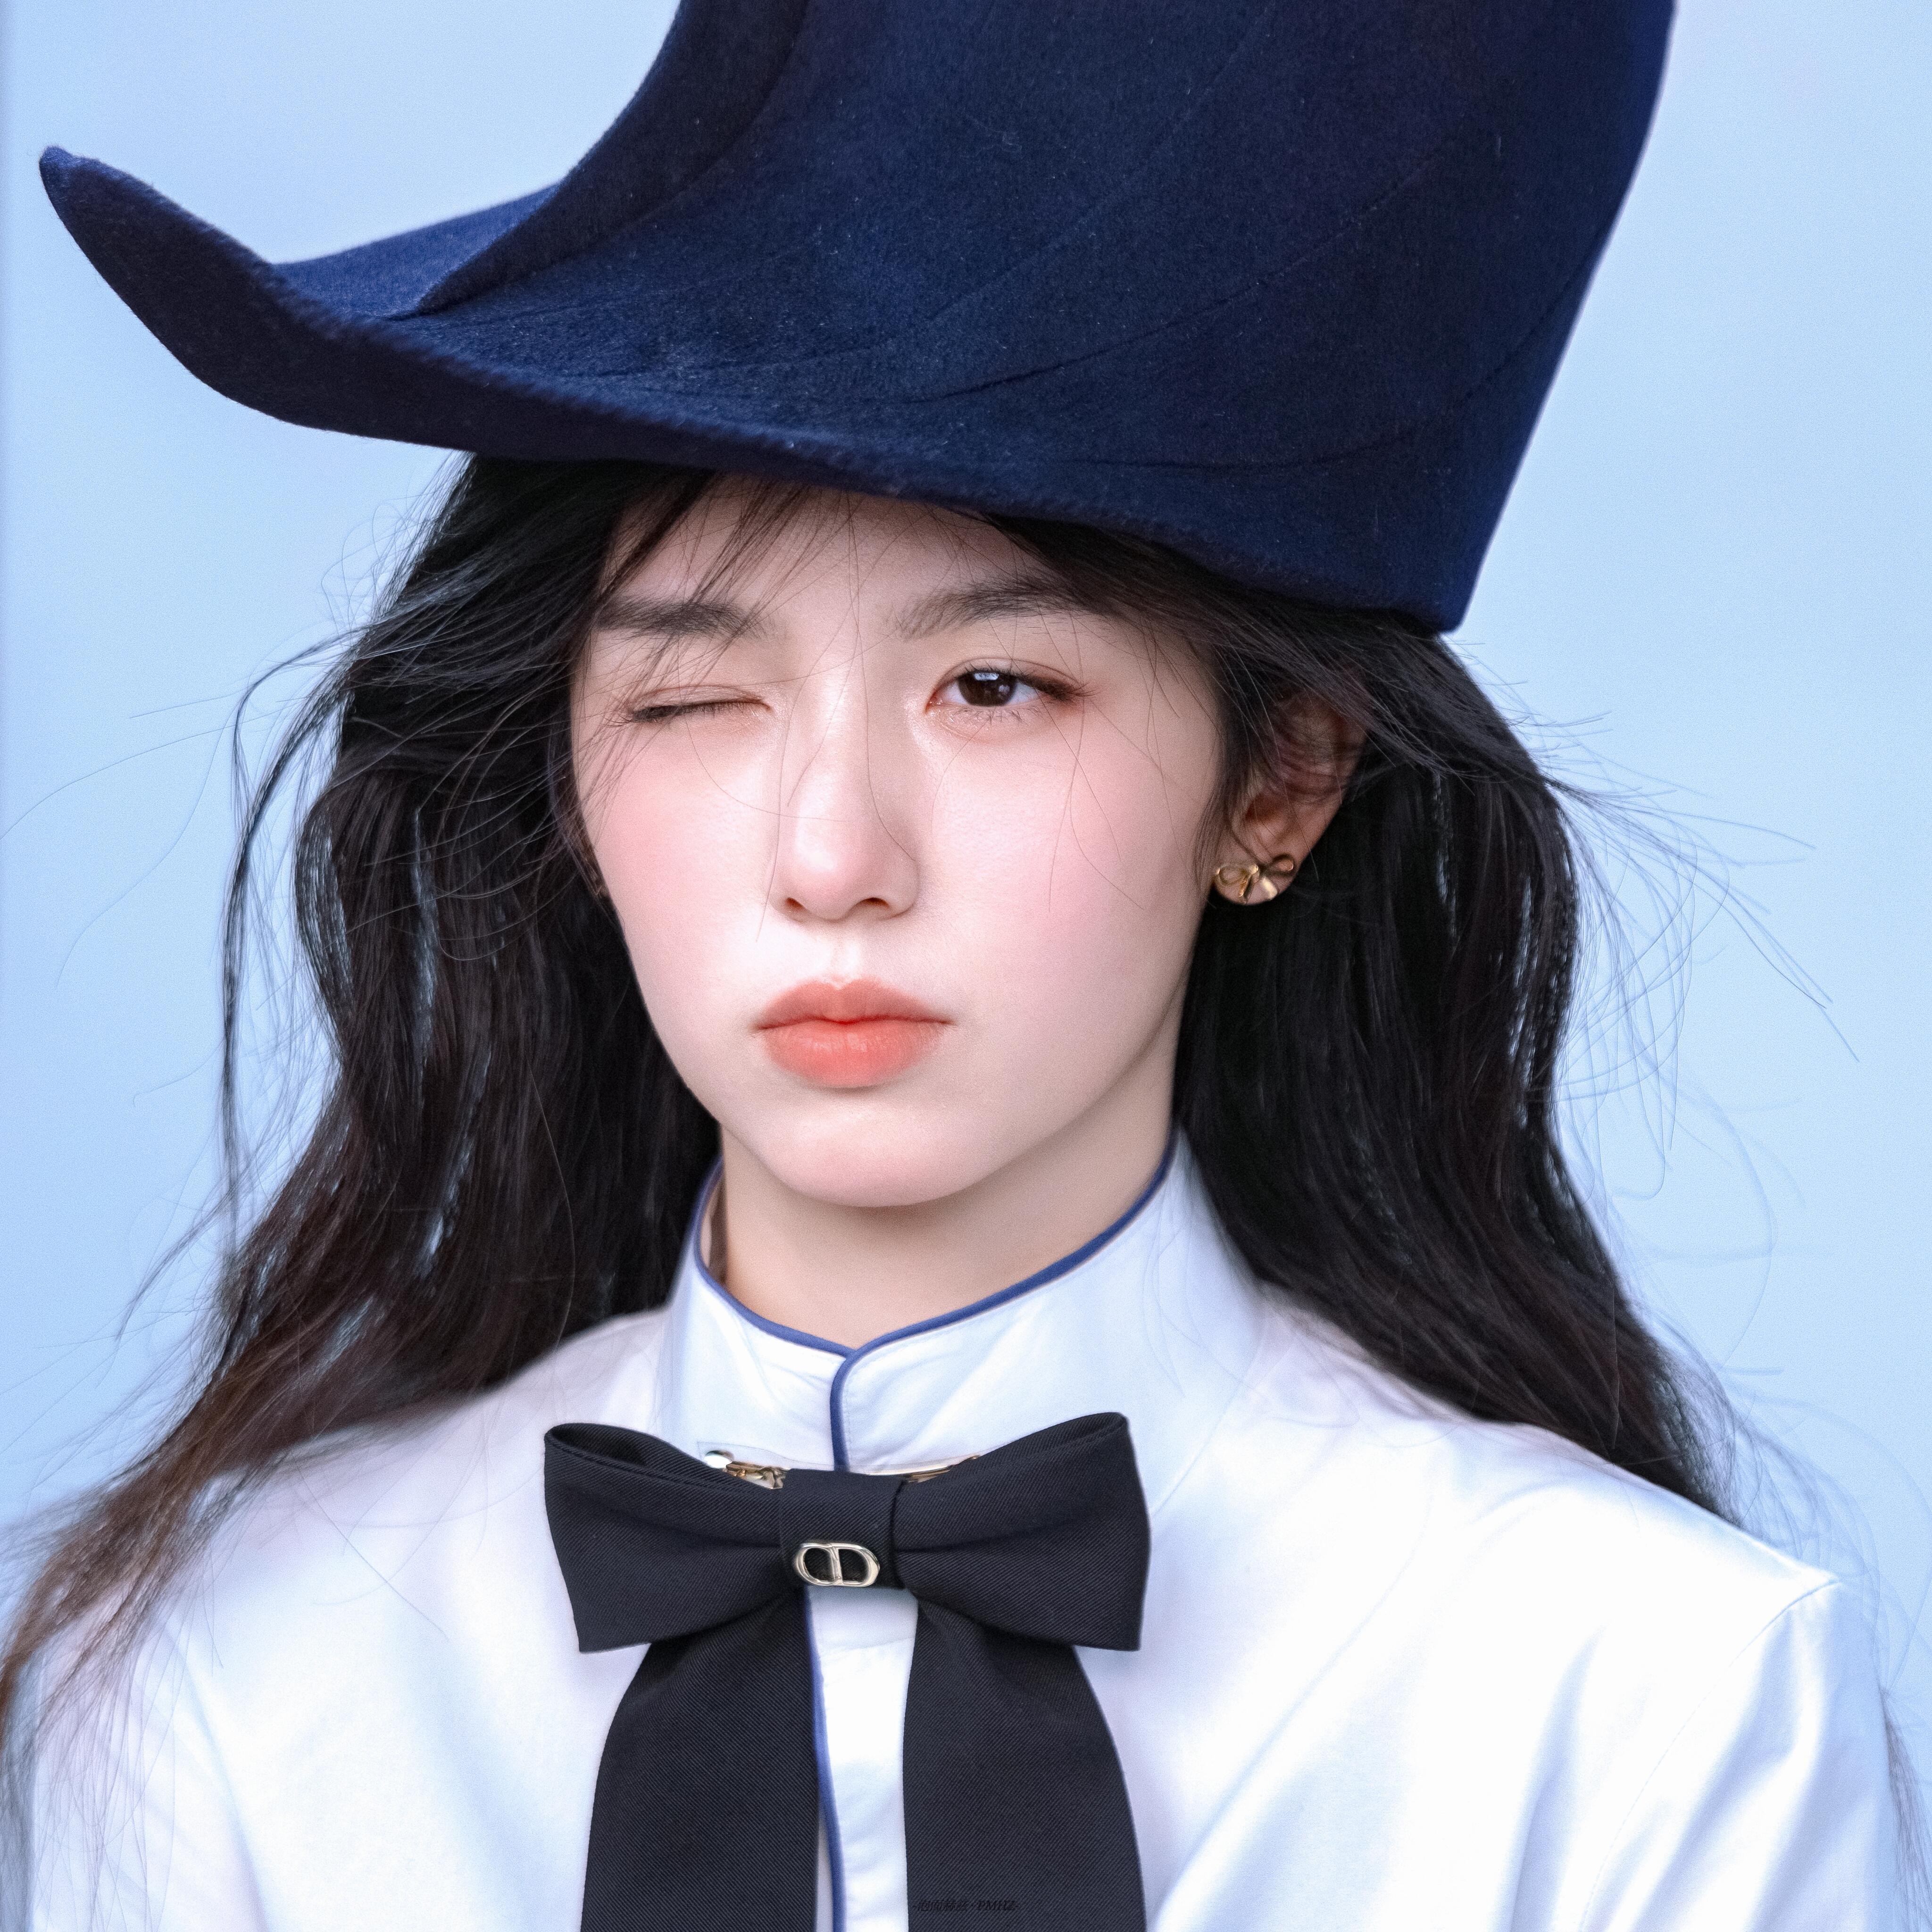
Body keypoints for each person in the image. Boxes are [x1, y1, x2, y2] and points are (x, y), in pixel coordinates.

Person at [1, 2, 1910, 1928]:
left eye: (996, 686)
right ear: (565, 783)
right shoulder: (222, 1694)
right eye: (694, 699)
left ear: (1278, 781)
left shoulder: (1658, 1708)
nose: (834, 859)